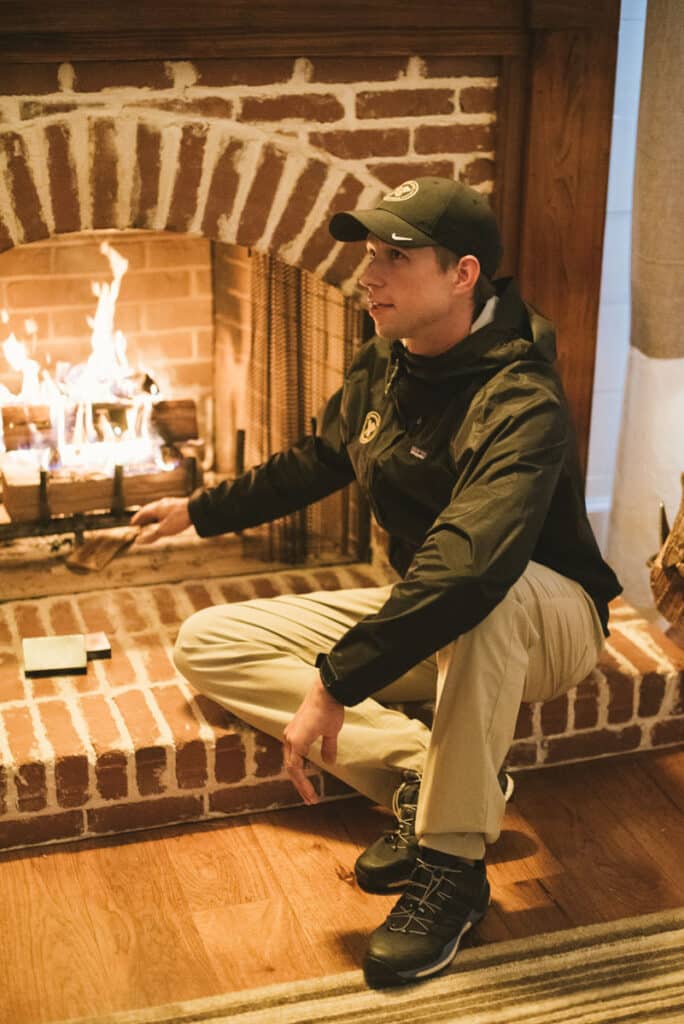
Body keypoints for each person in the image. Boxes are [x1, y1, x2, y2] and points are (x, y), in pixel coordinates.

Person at [132, 177, 622, 988]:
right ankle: (426, 772)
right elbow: (323, 456)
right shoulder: (388, 363)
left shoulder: (520, 399)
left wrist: (336, 680)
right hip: (436, 615)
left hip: (547, 618)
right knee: (208, 641)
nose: (370, 274)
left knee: (483, 595)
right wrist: (199, 511)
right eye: (369, 254)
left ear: (464, 275)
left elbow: (470, 567)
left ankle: (452, 866)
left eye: (396, 257)